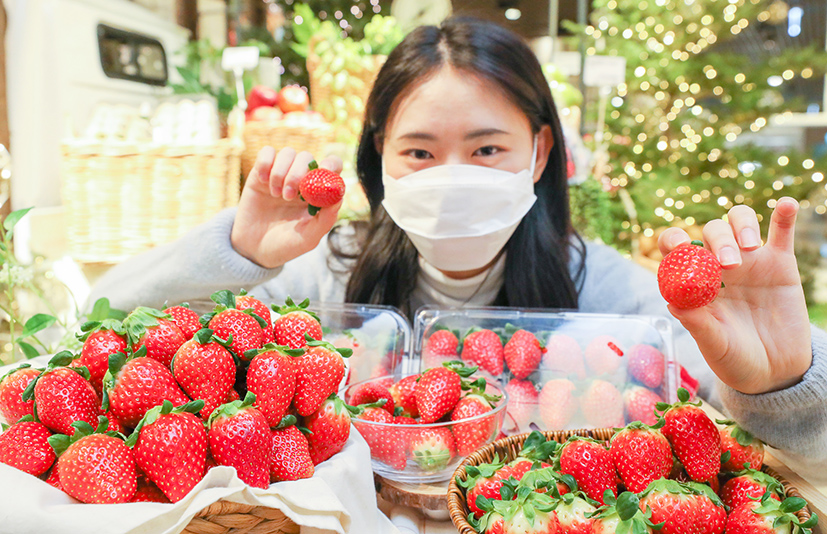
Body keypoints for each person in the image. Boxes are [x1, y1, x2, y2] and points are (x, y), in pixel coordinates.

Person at [92, 18, 827, 471]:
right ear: (378, 155)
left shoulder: (614, 299)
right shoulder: (318, 278)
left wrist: (782, 382)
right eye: (418, 152)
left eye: (484, 150)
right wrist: (240, 254)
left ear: (540, 153)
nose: (451, 179)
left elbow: (788, 453)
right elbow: (104, 328)